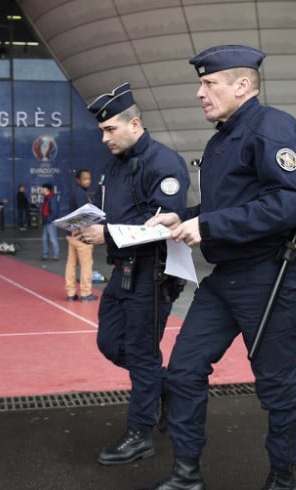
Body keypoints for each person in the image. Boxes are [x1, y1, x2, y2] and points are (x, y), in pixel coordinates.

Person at [129, 45, 296, 490]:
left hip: (266, 278)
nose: (199, 92)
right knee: (183, 371)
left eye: (209, 84)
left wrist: (207, 227)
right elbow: (227, 205)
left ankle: (284, 484)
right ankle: (186, 479)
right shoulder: (222, 139)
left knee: (276, 386)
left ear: (243, 85)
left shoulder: (272, 127)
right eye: (202, 84)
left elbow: (287, 205)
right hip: (225, 279)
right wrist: (183, 216)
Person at [74, 83, 190, 465]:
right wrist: (93, 224)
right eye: (102, 131)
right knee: (110, 342)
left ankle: (140, 432)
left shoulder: (164, 163)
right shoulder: (118, 164)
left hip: (151, 274)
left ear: (135, 123)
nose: (104, 137)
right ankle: (163, 386)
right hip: (122, 271)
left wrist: (105, 234)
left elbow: (164, 225)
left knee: (141, 353)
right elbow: (123, 216)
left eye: (110, 129)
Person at [64, 170, 98, 302]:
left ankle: (71, 293)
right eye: (84, 179)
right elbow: (84, 213)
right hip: (81, 235)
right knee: (86, 264)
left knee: (71, 264)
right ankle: (85, 293)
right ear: (78, 180)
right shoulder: (81, 194)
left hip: (71, 234)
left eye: (89, 178)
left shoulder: (75, 192)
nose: (88, 181)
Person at [39, 183, 60, 261]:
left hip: (50, 222)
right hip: (46, 221)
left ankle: (56, 256)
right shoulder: (46, 198)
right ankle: (45, 255)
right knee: (44, 239)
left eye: (43, 189)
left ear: (47, 189)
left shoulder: (52, 198)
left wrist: (48, 220)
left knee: (53, 239)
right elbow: (45, 210)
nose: (42, 190)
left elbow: (54, 212)